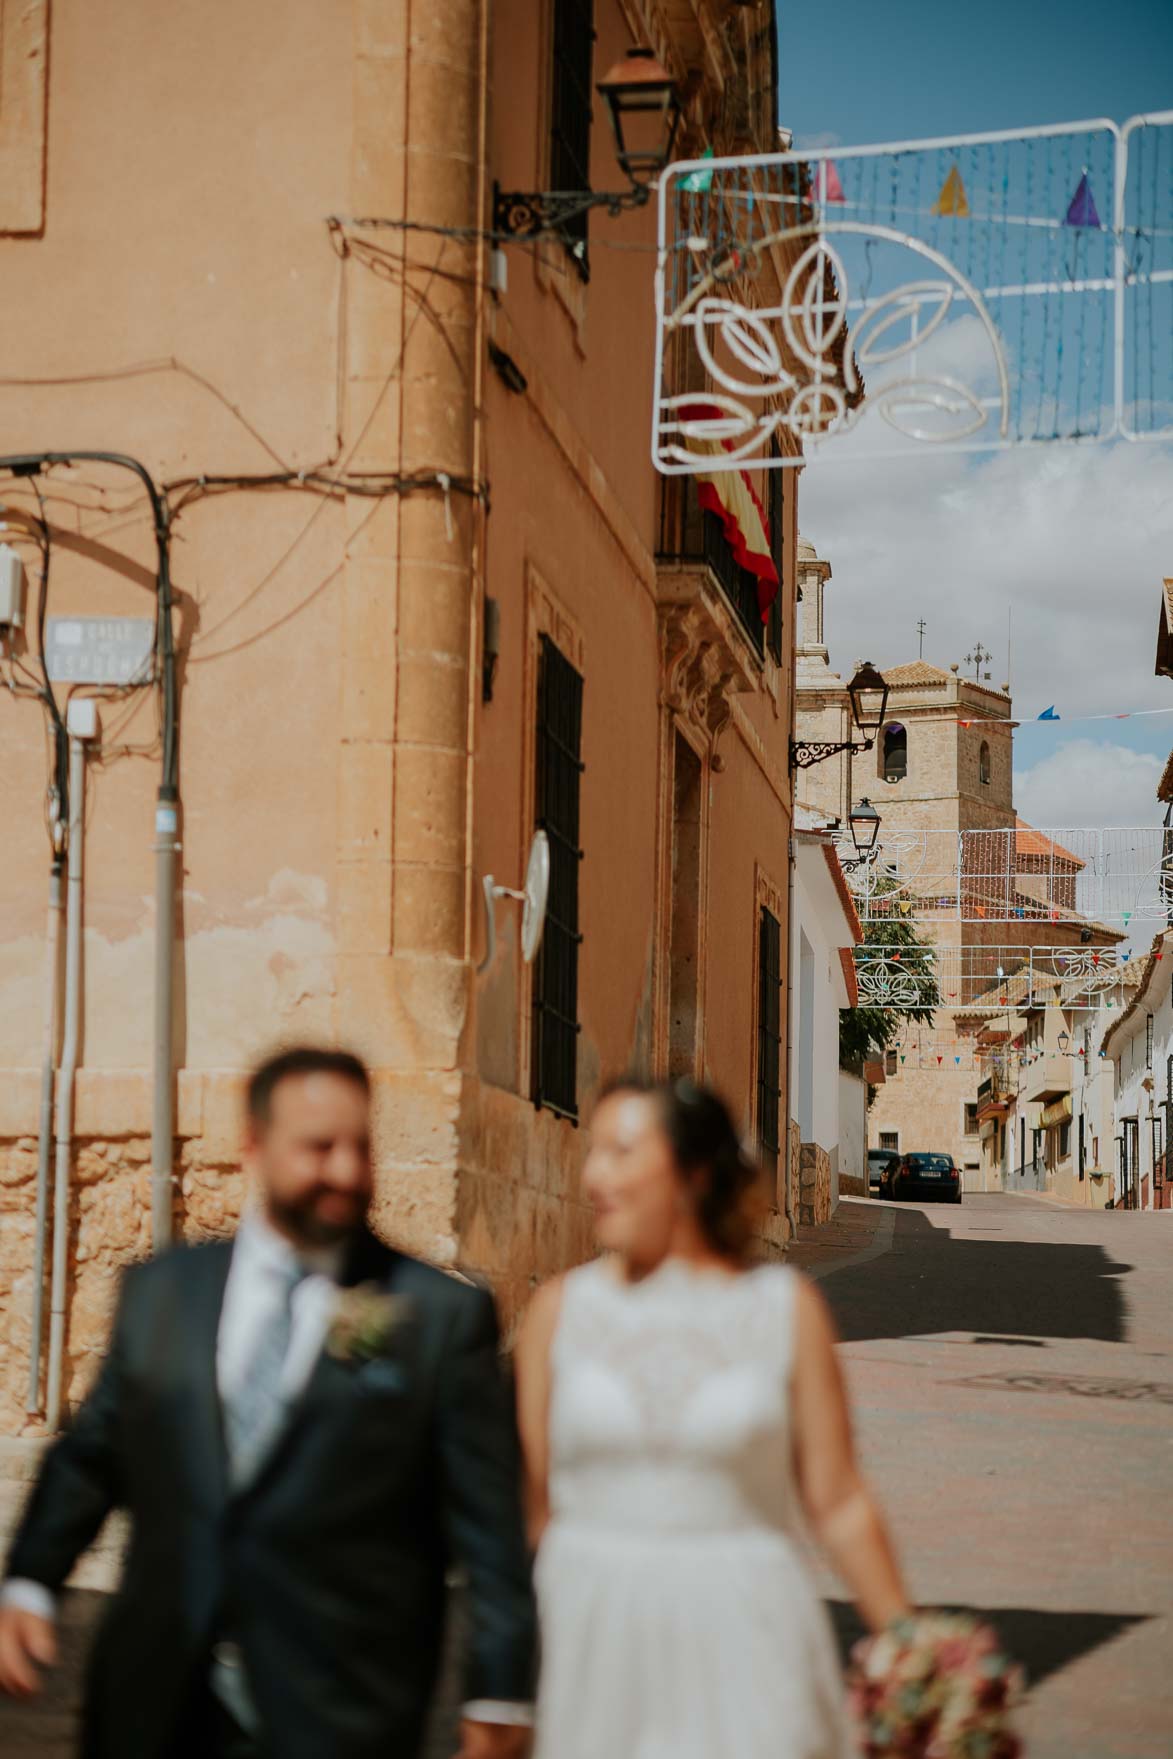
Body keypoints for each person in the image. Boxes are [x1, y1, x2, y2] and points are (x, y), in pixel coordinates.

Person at [0, 1046, 536, 1759]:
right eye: (319, 1147)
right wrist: (31, 1579)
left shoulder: (435, 1316)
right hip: (158, 1696)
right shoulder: (165, 1292)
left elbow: (488, 1520)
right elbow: (96, 1451)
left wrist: (498, 1684)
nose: (345, 1170)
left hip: (338, 1703)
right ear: (254, 1148)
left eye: (359, 1146)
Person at [515, 1075, 911, 1759]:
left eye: (619, 1151)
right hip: (595, 1645)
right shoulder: (559, 1311)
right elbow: (532, 1505)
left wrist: (912, 1651)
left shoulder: (783, 1308)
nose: (592, 1175)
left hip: (745, 1631)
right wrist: (501, 1677)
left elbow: (839, 1498)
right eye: (592, 1151)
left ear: (693, 1174)